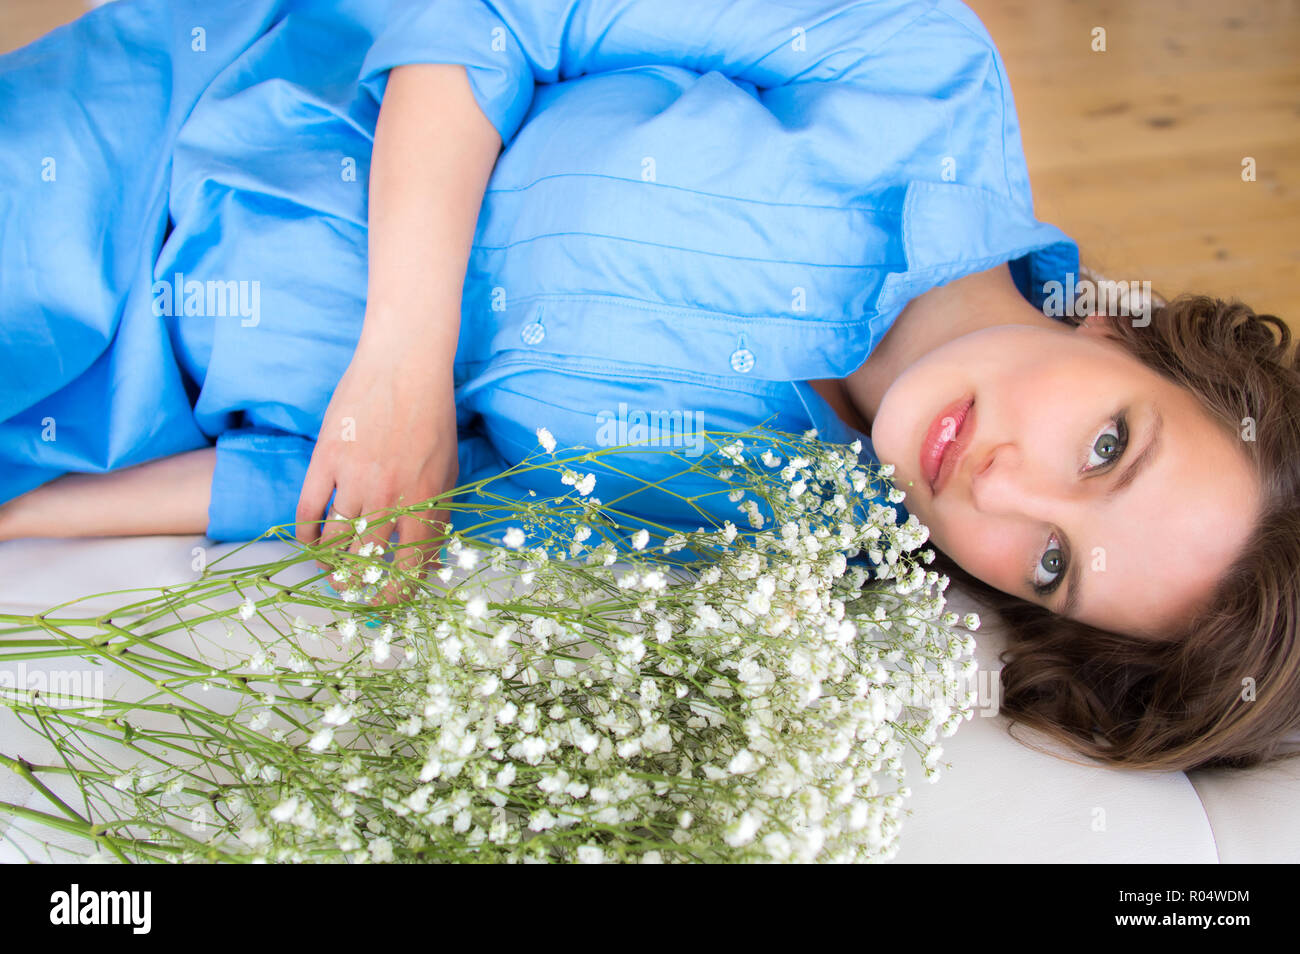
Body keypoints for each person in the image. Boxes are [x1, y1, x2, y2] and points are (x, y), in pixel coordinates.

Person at [0, 0, 1296, 771]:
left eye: (1056, 563)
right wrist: (402, 347)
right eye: (1108, 445)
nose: (1007, 490)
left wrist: (37, 517)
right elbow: (489, 14)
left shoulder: (803, 540)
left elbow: (419, 489)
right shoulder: (919, 74)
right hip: (179, 135)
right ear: (1132, 339)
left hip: (162, 409)